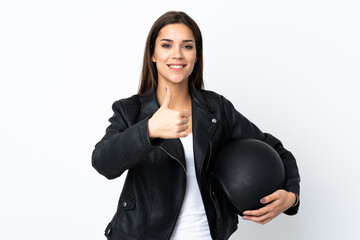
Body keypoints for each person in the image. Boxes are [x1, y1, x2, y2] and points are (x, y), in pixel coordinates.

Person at [92, 11, 300, 240]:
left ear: (197, 55)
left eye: (187, 46)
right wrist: (149, 130)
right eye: (167, 45)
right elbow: (103, 162)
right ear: (152, 53)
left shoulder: (217, 109)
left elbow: (275, 149)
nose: (177, 55)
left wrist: (291, 196)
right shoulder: (130, 111)